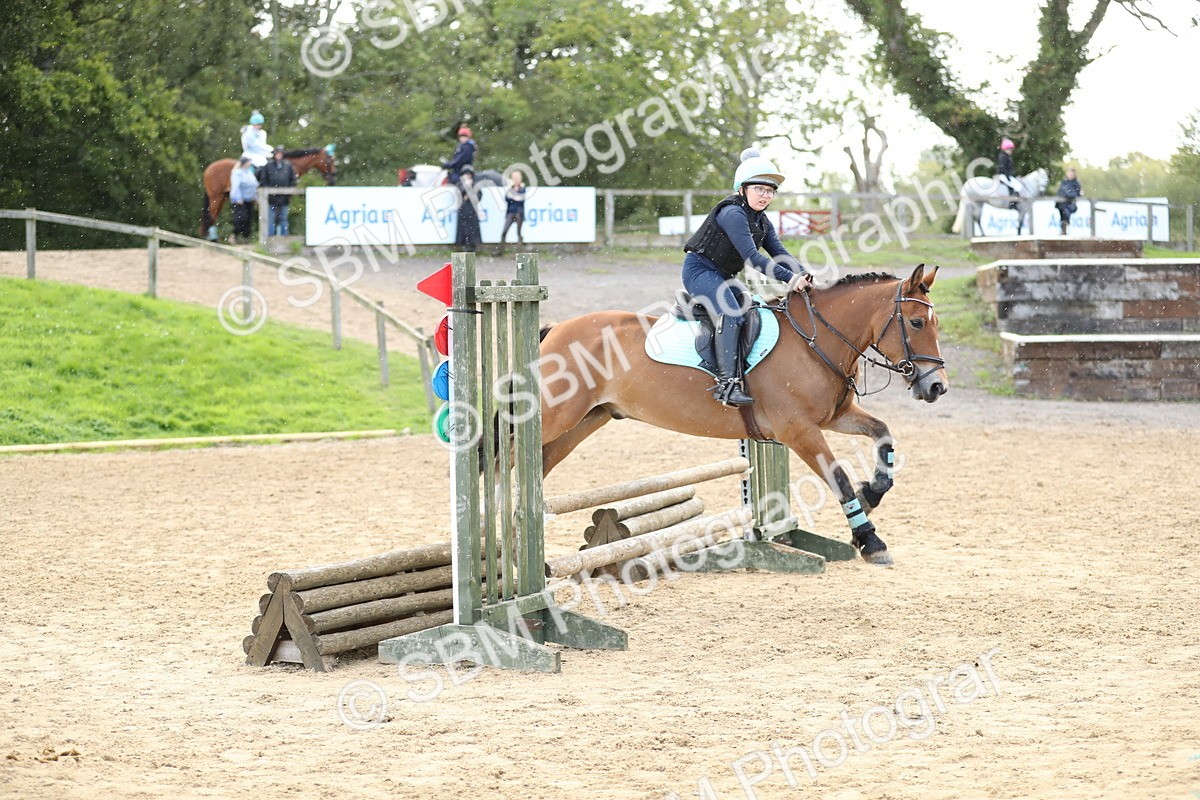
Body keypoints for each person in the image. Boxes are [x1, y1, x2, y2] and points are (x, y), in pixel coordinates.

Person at [682, 149, 813, 407]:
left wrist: (803, 273)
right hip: (699, 270)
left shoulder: (762, 221)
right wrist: (790, 279)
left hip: (724, 275)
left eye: (770, 191)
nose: (766, 196)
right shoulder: (732, 213)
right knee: (731, 311)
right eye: (760, 189)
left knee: (754, 309)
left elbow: (779, 252)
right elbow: (753, 258)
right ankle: (727, 384)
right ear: (743, 188)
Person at [260, 145, 297, 237]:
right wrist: (268, 193)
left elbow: (293, 180)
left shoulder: (288, 166)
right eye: (277, 153)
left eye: (280, 153)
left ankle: (285, 238)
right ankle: (270, 238)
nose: (279, 155)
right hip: (271, 198)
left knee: (283, 218)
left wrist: (288, 193)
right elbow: (263, 180)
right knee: (270, 219)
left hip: (284, 198)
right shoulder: (268, 166)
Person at [229, 156, 259, 244]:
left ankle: (246, 237)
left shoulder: (249, 172)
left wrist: (255, 198)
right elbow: (235, 186)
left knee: (248, 219)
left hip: (249, 199)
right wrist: (237, 198)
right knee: (241, 218)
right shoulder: (237, 173)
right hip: (240, 200)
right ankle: (234, 236)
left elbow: (254, 185)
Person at [496, 170, 526, 256]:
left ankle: (520, 251)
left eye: (517, 178)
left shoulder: (522, 188)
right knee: (504, 231)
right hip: (511, 212)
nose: (516, 180)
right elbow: (507, 199)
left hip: (519, 213)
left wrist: (513, 196)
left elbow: (520, 199)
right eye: (514, 178)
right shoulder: (511, 188)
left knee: (519, 233)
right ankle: (500, 251)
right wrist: (515, 197)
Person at [454, 165, 482, 253]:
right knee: (463, 229)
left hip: (472, 210)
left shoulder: (475, 184)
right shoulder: (460, 183)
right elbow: (459, 194)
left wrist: (469, 194)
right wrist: (466, 187)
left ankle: (473, 246)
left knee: (473, 229)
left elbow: (479, 195)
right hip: (463, 210)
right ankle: (463, 245)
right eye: (466, 174)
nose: (468, 176)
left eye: (469, 174)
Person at [1055, 167, 1083, 235]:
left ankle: (1064, 228)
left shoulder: (1076, 183)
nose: (1070, 175)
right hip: (1062, 204)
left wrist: (1067, 194)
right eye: (1069, 173)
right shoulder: (1064, 182)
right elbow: (1060, 192)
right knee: (1063, 216)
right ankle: (1063, 229)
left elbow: (1076, 193)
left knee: (1066, 213)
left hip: (1070, 204)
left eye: (1071, 174)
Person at [997, 137, 1018, 208]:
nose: (1011, 151)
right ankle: (1012, 203)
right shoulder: (1003, 156)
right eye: (1009, 149)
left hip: (1007, 175)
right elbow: (1003, 168)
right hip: (1003, 175)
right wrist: (1008, 177)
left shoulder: (1008, 156)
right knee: (1012, 186)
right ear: (1005, 149)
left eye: (1011, 149)